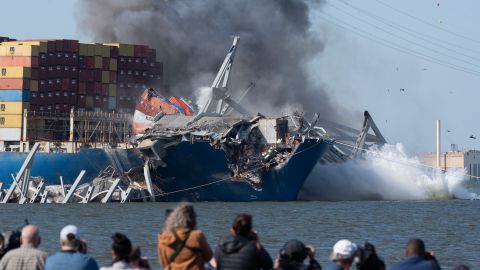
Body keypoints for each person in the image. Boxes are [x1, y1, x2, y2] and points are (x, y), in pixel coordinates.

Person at [158, 203, 213, 270]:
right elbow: (209, 257)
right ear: (193, 218)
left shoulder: (164, 238)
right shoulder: (196, 235)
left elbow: (163, 263)